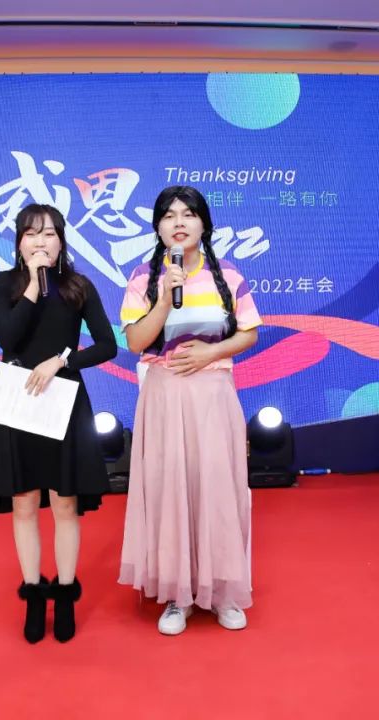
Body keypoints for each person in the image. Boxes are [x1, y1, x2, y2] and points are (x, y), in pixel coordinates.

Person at [118, 186, 262, 635]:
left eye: (188, 214)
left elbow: (249, 333)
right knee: (170, 491)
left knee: (217, 489)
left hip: (213, 396)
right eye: (169, 215)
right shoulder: (144, 276)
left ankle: (222, 592)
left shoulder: (228, 275)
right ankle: (177, 596)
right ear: (158, 227)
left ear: (204, 224)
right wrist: (165, 298)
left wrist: (209, 353)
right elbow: (136, 341)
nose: (179, 222)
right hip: (164, 397)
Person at [0, 204, 117, 643]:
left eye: (50, 234)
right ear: (19, 242)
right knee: (23, 503)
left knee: (65, 503)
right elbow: (8, 337)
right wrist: (34, 289)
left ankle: (66, 595)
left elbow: (107, 345)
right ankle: (34, 593)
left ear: (62, 241)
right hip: (17, 404)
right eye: (32, 234)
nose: (41, 241)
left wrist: (62, 361)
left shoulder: (78, 286)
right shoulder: (1, 284)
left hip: (64, 403)